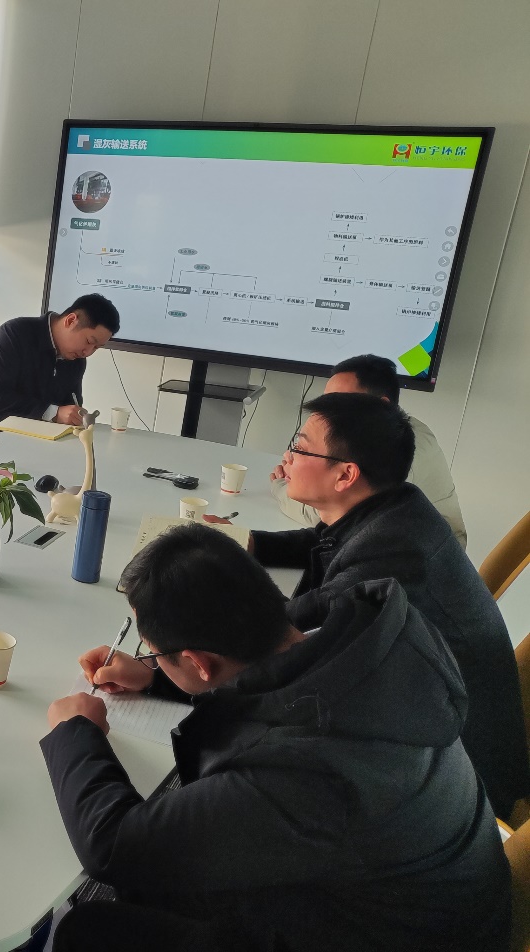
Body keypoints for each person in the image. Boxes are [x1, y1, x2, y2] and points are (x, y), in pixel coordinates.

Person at [41, 523, 510, 952]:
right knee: (160, 879)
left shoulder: (299, 769)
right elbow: (264, 683)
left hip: (373, 933)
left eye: (154, 652)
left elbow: (112, 846)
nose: (150, 658)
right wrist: (156, 676)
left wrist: (75, 731)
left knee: (88, 930)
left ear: (200, 662)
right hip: (412, 898)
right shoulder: (371, 636)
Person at [223, 392, 528, 821]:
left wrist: (174, 655)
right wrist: (249, 543)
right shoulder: (399, 505)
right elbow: (324, 539)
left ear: (346, 475)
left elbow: (289, 633)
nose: (287, 458)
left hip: (453, 784)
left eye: (300, 447)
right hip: (432, 729)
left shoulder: (391, 555)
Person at [270, 354, 466, 546]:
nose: (328, 413)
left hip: (421, 554)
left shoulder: (396, 448)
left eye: (342, 404)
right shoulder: (381, 432)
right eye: (327, 402)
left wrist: (282, 484)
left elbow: (333, 517)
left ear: (381, 405)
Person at [0, 294, 119, 435]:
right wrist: (54, 413)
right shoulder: (14, 334)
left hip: (34, 438)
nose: (88, 352)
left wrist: (75, 416)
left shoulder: (76, 358)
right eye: (89, 341)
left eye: (96, 348)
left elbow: (70, 403)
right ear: (71, 321)